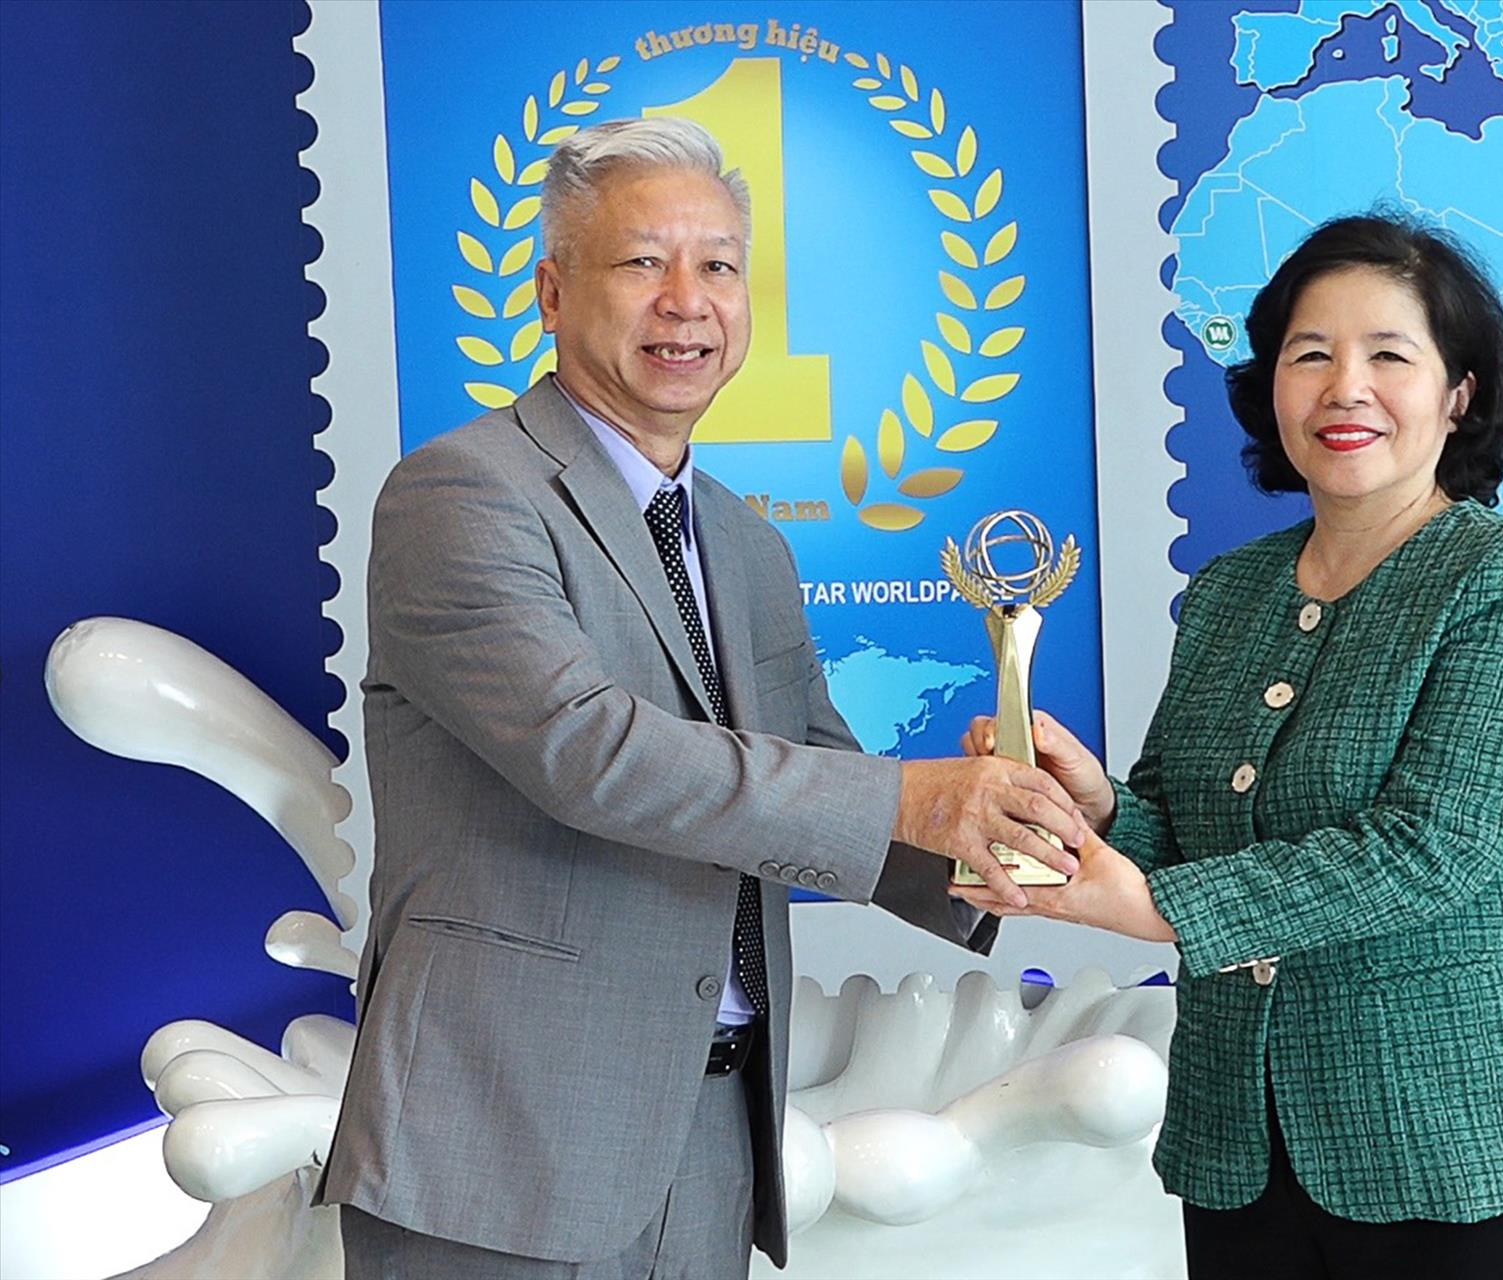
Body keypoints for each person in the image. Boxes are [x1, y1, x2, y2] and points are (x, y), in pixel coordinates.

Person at [317, 116, 1088, 1280]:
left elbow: (824, 776)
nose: (688, 301)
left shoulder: (743, 540)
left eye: (719, 265)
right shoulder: (461, 494)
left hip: (713, 1137)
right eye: (643, 262)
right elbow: (592, 753)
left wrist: (1027, 835)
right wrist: (920, 796)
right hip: (502, 1143)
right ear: (551, 291)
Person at [956, 213, 1503, 1278]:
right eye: (1311, 355)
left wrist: (1148, 905)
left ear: (1460, 394)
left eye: (1389, 356)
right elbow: (1188, 830)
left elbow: (1432, 849)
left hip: (1456, 1149)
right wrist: (1103, 808)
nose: (1345, 388)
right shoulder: (1231, 591)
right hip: (1243, 1153)